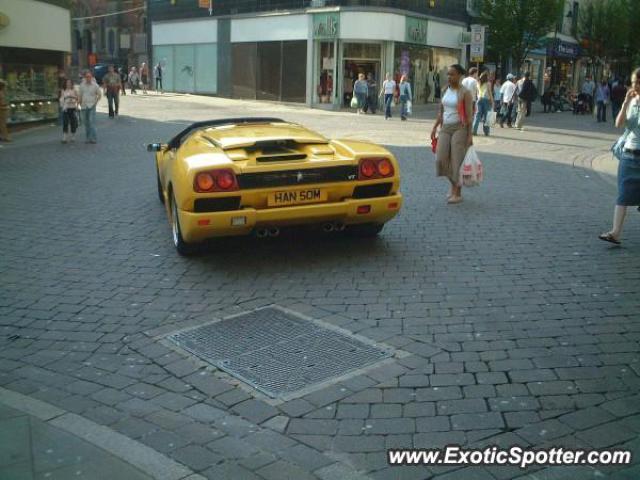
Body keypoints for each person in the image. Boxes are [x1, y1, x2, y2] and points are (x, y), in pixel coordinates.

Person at [599, 67, 640, 245]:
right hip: (629, 154)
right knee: (623, 194)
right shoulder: (632, 100)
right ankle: (615, 232)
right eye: (632, 82)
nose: (634, 86)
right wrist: (625, 103)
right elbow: (618, 124)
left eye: (637, 82)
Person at [431, 64, 474, 205]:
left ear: (460, 76)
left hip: (459, 128)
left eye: (452, 74)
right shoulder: (445, 90)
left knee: (457, 160)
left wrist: (469, 136)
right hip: (446, 127)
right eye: (448, 74)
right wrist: (434, 127)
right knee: (440, 158)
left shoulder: (465, 92)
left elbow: (469, 116)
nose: (449, 77)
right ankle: (453, 185)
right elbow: (441, 112)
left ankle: (457, 193)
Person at [78, 71, 102, 144]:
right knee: (86, 123)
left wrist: (96, 102)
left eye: (90, 77)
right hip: (84, 106)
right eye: (87, 77)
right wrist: (78, 104)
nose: (88, 78)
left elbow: (99, 95)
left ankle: (93, 138)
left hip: (92, 106)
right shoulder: (82, 85)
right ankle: (88, 138)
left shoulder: (95, 85)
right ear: (85, 78)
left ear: (91, 77)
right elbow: (80, 95)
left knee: (92, 122)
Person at [473, 72, 494, 136]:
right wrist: (492, 102)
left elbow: (477, 93)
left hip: (479, 99)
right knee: (487, 116)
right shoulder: (488, 83)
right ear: (486, 77)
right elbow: (490, 93)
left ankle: (474, 131)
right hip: (486, 100)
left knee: (477, 116)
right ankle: (486, 132)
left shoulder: (478, 83)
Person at [59, 79, 79, 143]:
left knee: (73, 122)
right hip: (66, 108)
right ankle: (64, 137)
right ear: (65, 83)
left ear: (71, 84)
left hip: (72, 107)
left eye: (70, 83)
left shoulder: (74, 90)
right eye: (67, 83)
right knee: (65, 122)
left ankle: (73, 136)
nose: (68, 84)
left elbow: (78, 98)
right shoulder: (63, 90)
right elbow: (61, 99)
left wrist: (73, 98)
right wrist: (65, 99)